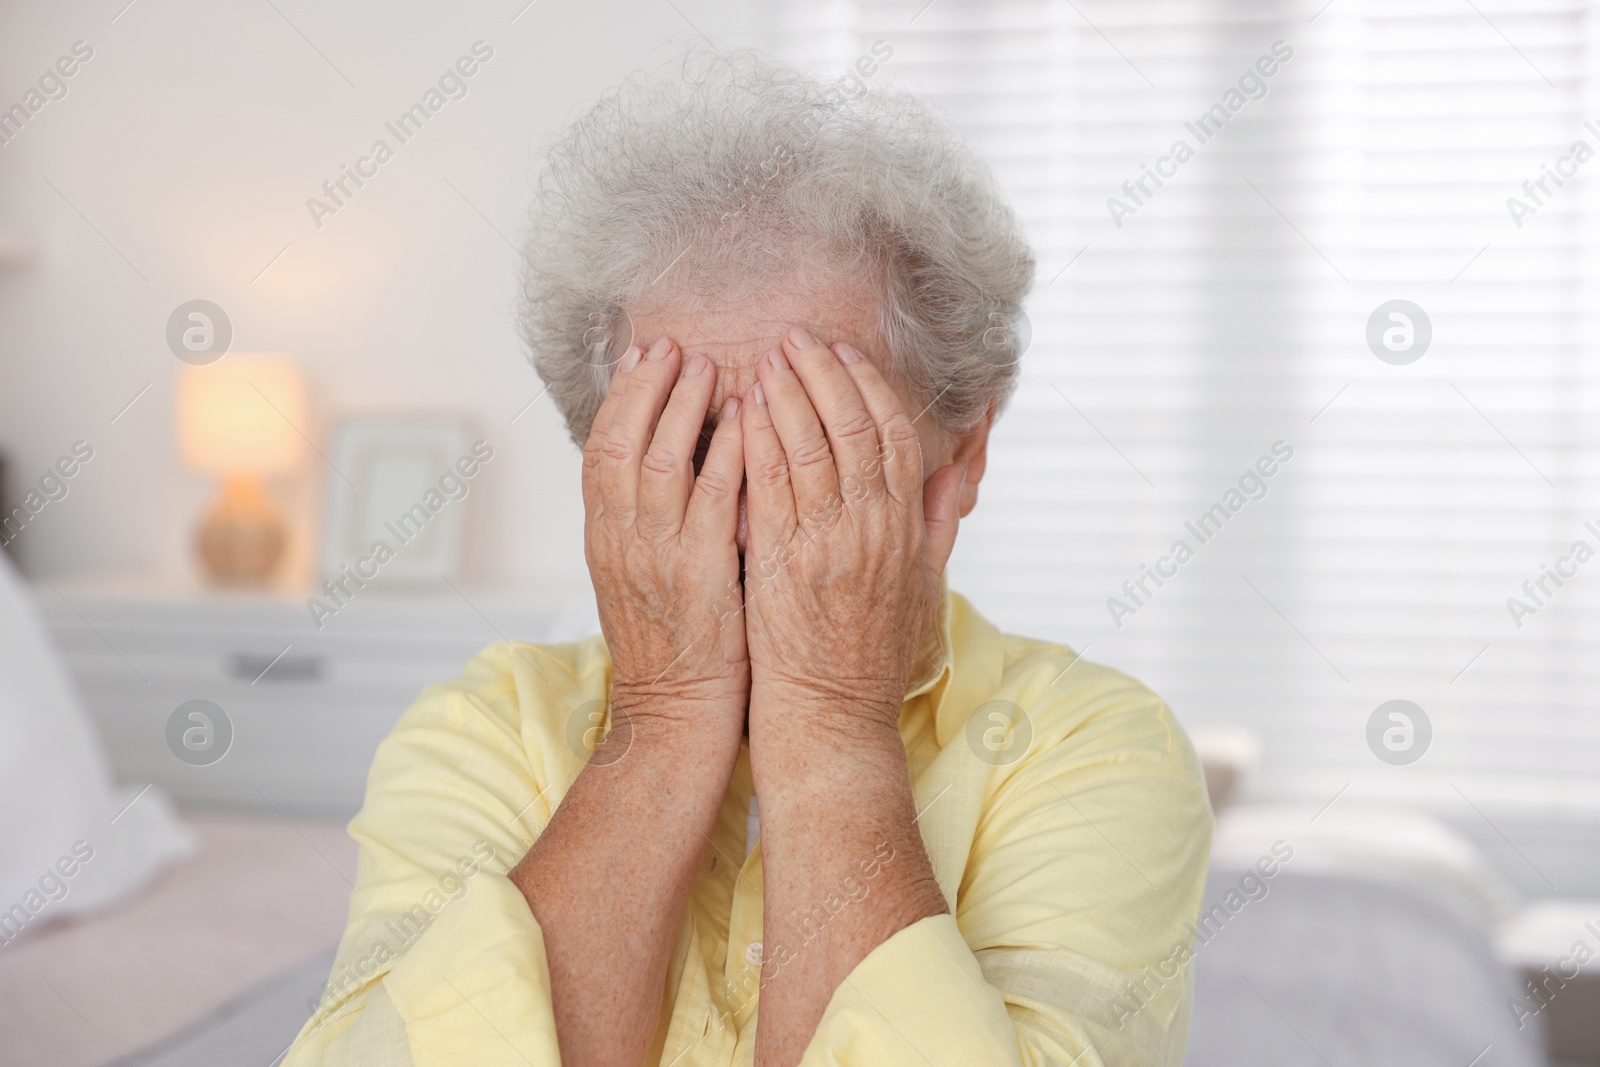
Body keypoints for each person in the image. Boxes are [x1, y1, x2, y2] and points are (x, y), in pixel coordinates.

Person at [285, 48, 1211, 1067]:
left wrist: (831, 724)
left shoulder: (1098, 745)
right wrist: (664, 718)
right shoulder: (483, 727)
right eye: (685, 448)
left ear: (960, 456)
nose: (741, 517)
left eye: (811, 446)